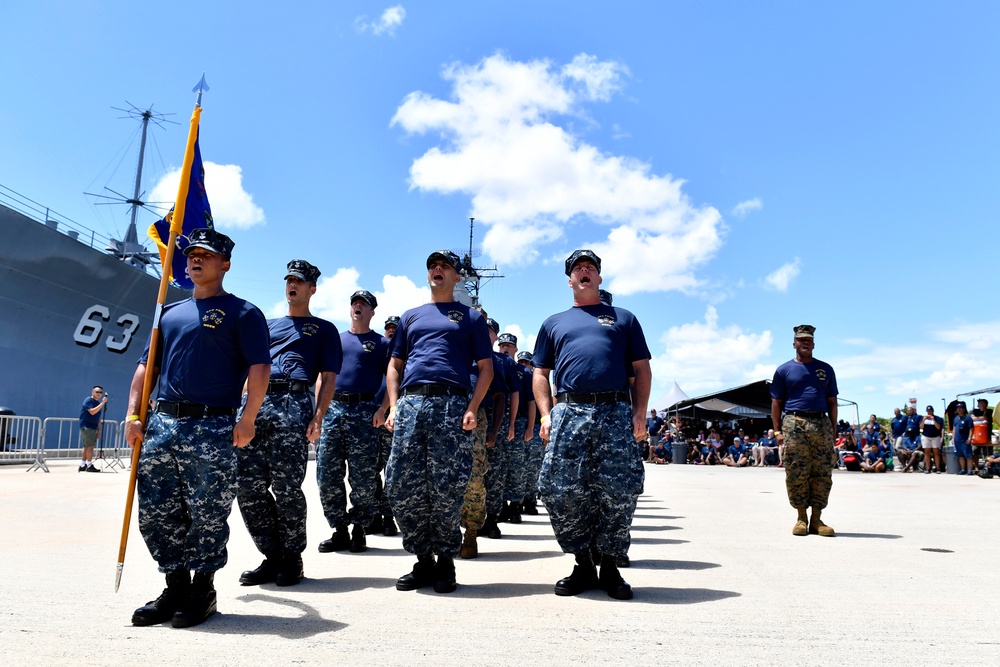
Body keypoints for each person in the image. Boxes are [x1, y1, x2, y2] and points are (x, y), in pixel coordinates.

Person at [124, 228, 270, 629]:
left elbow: (260, 369)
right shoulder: (168, 314)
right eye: (191, 253)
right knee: (156, 510)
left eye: (205, 254)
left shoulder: (244, 313)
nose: (194, 259)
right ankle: (174, 586)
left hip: (212, 424)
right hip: (163, 424)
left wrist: (248, 418)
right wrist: (134, 415)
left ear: (225, 263)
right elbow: (145, 369)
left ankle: (202, 589)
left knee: (208, 511)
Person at [532, 249, 651, 600]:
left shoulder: (623, 318)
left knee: (618, 489)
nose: (584, 272)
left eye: (591, 268)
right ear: (570, 280)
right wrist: (545, 413)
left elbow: (641, 369)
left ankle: (611, 565)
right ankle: (583, 562)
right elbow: (540, 374)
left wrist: (640, 412)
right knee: (560, 489)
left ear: (599, 278)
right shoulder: (553, 323)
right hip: (569, 412)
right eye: (577, 269)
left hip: (614, 411)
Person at [384, 250, 493, 594]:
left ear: (456, 277)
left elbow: (486, 368)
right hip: (412, 403)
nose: (437, 270)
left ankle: (445, 561)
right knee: (402, 484)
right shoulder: (411, 317)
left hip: (451, 404)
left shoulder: (470, 318)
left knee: (446, 487)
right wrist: (393, 406)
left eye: (445, 266)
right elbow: (394, 365)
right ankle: (422, 559)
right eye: (433, 266)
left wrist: (473, 406)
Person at [236, 260, 341, 588]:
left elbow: (328, 378)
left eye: (300, 281)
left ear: (312, 289)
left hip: (293, 404)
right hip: (257, 402)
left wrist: (318, 416)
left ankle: (292, 559)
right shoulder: (265, 325)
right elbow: (248, 369)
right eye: (289, 280)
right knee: (247, 486)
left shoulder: (323, 329)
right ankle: (272, 556)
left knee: (286, 487)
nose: (292, 285)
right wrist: (241, 412)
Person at [316, 290, 389, 555]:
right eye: (355, 303)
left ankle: (360, 528)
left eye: (364, 304)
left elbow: (393, 379)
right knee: (327, 473)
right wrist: (318, 414)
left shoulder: (381, 344)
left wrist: (383, 409)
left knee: (363, 475)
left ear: (372, 312)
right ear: (350, 310)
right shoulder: (336, 340)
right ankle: (339, 530)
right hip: (333, 409)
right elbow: (323, 379)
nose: (358, 306)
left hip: (364, 411)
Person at [770, 324, 838, 538]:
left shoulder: (826, 369)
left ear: (814, 344)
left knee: (822, 471)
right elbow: (776, 402)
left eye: (808, 339)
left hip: (821, 422)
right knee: (796, 470)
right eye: (801, 339)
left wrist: (833, 429)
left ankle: (817, 519)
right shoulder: (783, 370)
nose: (805, 342)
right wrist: (777, 431)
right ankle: (801, 517)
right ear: (794, 344)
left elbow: (832, 401)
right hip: (794, 421)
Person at [369, 315, 401, 537]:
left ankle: (389, 517)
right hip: (370, 418)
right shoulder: (376, 352)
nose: (391, 331)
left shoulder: (404, 359)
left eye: (395, 329)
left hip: (393, 420)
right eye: (388, 328)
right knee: (369, 470)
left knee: (391, 470)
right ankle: (373, 517)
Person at [78, 385, 107, 472]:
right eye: (97, 392)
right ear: (92, 392)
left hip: (93, 427)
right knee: (90, 447)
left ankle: (83, 464)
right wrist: (103, 403)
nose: (99, 394)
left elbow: (98, 418)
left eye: (100, 392)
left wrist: (98, 430)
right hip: (87, 426)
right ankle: (89, 465)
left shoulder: (97, 403)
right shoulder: (88, 400)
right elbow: (92, 412)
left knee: (86, 446)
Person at [920, 405, 945, 474]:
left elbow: (938, 427)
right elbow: (921, 427)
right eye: (928, 411)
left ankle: (938, 468)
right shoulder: (923, 418)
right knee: (927, 453)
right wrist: (924, 420)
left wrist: (933, 419)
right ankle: (928, 468)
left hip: (935, 437)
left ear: (933, 411)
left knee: (936, 452)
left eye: (930, 411)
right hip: (926, 436)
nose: (929, 413)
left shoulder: (938, 418)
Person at [952, 401, 974, 475]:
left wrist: (969, 438)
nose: (959, 410)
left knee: (968, 455)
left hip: (965, 440)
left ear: (964, 409)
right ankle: (963, 469)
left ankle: (970, 470)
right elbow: (954, 429)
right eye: (958, 408)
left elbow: (971, 428)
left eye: (961, 408)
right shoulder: (955, 418)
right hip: (957, 440)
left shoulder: (968, 417)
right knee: (960, 456)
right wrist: (953, 439)